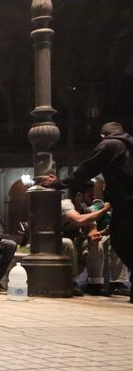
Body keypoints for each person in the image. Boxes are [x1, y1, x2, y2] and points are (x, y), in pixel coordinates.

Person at [66, 122, 133, 303]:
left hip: (126, 203)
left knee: (119, 241)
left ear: (103, 136)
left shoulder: (109, 145)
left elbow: (86, 169)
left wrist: (61, 183)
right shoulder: (129, 144)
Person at [60, 181, 110, 296]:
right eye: (90, 194)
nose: (93, 197)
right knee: (68, 243)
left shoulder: (87, 209)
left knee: (96, 242)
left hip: (76, 245)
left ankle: (95, 284)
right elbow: (78, 220)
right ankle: (70, 282)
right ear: (79, 195)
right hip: (56, 245)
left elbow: (91, 230)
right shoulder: (66, 204)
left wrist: (96, 235)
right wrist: (104, 210)